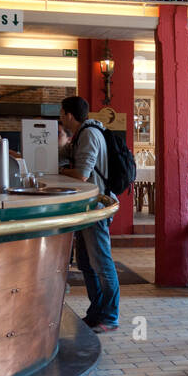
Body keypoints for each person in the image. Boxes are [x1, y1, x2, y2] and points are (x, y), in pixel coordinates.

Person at [59, 95, 120, 333]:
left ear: (69, 115)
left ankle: (110, 316)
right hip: (87, 208)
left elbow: (83, 173)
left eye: (62, 114)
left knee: (101, 263)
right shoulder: (82, 134)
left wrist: (61, 170)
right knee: (86, 263)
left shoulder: (90, 134)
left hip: (95, 207)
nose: (60, 118)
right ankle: (96, 313)